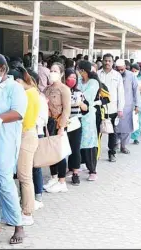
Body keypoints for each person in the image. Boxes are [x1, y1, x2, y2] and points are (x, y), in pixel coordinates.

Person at [0, 54, 27, 244]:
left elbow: (18, 113)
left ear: (3, 69)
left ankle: (18, 225)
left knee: (4, 180)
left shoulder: (15, 88)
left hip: (6, 141)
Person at [8, 64, 40, 226]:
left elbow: (24, 120)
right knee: (24, 176)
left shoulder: (28, 95)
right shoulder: (32, 91)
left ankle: (27, 212)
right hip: (28, 134)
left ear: (19, 81)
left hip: (26, 135)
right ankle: (25, 209)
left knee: (25, 176)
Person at [43, 62, 71, 193]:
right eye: (51, 70)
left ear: (61, 74)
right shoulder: (47, 89)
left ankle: (62, 180)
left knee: (59, 152)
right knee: (50, 151)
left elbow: (66, 110)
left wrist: (62, 127)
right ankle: (54, 176)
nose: (52, 73)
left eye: (55, 71)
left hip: (58, 123)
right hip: (47, 124)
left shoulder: (64, 89)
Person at [98, 54, 125, 162]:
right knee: (98, 130)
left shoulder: (117, 75)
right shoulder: (97, 74)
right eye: (105, 60)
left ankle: (111, 153)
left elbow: (121, 93)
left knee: (112, 132)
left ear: (113, 62)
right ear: (103, 61)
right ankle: (97, 152)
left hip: (113, 108)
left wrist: (120, 109)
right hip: (99, 107)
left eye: (109, 61)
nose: (107, 63)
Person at [77, 61, 100, 180]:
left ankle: (93, 170)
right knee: (79, 141)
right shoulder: (80, 81)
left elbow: (86, 96)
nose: (78, 72)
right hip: (78, 114)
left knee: (89, 142)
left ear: (83, 71)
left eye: (79, 70)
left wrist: (77, 96)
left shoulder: (93, 82)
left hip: (88, 115)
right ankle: (78, 165)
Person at [65, 68, 87, 185]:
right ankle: (60, 174)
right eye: (70, 77)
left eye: (74, 78)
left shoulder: (79, 93)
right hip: (62, 122)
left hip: (75, 123)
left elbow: (86, 108)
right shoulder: (61, 90)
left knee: (75, 148)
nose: (72, 80)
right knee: (61, 149)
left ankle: (75, 173)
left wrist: (80, 103)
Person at [114, 59, 140, 154]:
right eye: (118, 69)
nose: (120, 71)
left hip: (127, 106)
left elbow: (136, 90)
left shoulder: (131, 75)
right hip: (114, 105)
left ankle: (123, 146)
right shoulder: (114, 75)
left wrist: (137, 105)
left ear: (125, 67)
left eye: (122, 69)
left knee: (126, 128)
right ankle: (115, 144)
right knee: (115, 126)